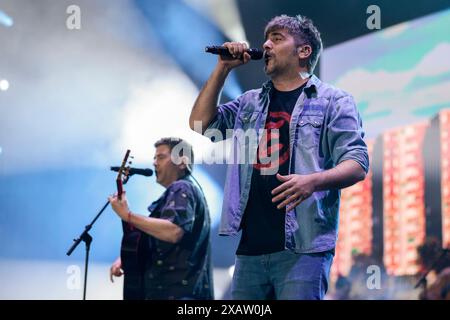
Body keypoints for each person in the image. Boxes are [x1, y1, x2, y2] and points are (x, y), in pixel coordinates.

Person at [189, 14, 369, 300]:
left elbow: (357, 164)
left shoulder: (334, 101)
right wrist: (222, 69)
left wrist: (311, 182)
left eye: (277, 38)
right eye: (266, 39)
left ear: (304, 51)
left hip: (303, 249)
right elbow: (200, 124)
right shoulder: (250, 101)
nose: (265, 45)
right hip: (250, 250)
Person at [109, 137, 214, 300]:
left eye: (161, 157)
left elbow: (173, 231)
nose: (154, 162)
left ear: (182, 162)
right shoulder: (186, 190)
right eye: (154, 157)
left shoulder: (182, 187)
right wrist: (126, 257)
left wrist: (128, 215)